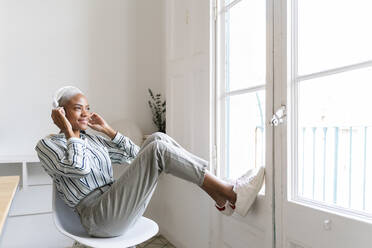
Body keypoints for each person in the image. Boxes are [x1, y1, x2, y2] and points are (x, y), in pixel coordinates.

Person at [35, 86, 265, 238]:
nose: (86, 114)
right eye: (78, 109)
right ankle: (230, 193)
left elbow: (137, 155)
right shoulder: (48, 146)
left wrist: (108, 131)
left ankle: (219, 195)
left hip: (115, 202)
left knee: (158, 139)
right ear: (61, 113)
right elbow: (79, 168)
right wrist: (68, 131)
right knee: (156, 146)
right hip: (98, 217)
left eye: (88, 108)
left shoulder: (92, 141)